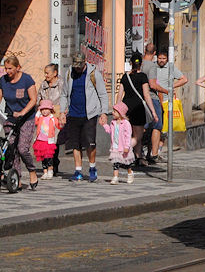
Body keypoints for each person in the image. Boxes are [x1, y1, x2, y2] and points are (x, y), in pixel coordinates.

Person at [59, 52, 109, 182]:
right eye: (75, 65)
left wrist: (103, 112)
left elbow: (103, 94)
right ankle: (78, 171)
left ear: (85, 62)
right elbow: (64, 94)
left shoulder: (94, 74)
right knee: (75, 144)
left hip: (89, 114)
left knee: (90, 143)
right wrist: (62, 112)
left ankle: (92, 168)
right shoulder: (69, 73)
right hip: (73, 114)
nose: (77, 68)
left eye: (80, 66)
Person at [0, 54, 40, 190]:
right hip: (11, 117)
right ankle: (16, 178)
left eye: (10, 68)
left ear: (18, 67)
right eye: (6, 68)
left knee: (22, 148)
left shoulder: (26, 80)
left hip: (26, 117)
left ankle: (31, 170)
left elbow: (33, 99)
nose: (7, 71)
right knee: (11, 147)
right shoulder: (3, 81)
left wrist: (23, 112)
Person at [147, 50, 187, 163]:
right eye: (160, 58)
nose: (161, 61)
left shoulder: (171, 67)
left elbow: (184, 79)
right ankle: (151, 152)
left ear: (167, 59)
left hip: (166, 101)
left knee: (163, 129)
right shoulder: (153, 67)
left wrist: (171, 86)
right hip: (154, 100)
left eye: (164, 59)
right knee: (154, 127)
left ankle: (157, 152)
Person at [120, 53, 158, 163]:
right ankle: (124, 152)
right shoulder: (143, 77)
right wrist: (153, 112)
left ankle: (138, 157)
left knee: (129, 133)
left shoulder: (125, 77)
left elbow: (120, 94)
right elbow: (146, 95)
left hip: (126, 107)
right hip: (138, 108)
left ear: (130, 63)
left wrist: (118, 110)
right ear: (141, 64)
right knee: (138, 136)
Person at [36, 63, 62, 175]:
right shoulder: (44, 84)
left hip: (56, 114)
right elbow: (38, 98)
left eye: (47, 73)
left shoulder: (61, 84)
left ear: (55, 73)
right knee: (45, 140)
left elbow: (65, 97)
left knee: (54, 140)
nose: (45, 75)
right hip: (44, 115)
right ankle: (47, 165)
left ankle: (53, 163)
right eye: (45, 73)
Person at [106, 103, 135, 184]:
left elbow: (128, 136)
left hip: (123, 147)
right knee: (116, 162)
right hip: (115, 147)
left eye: (115, 111)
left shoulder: (126, 123)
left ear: (120, 113)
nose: (113, 113)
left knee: (127, 163)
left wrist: (127, 147)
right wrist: (105, 125)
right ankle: (115, 177)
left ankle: (130, 173)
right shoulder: (113, 122)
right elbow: (110, 131)